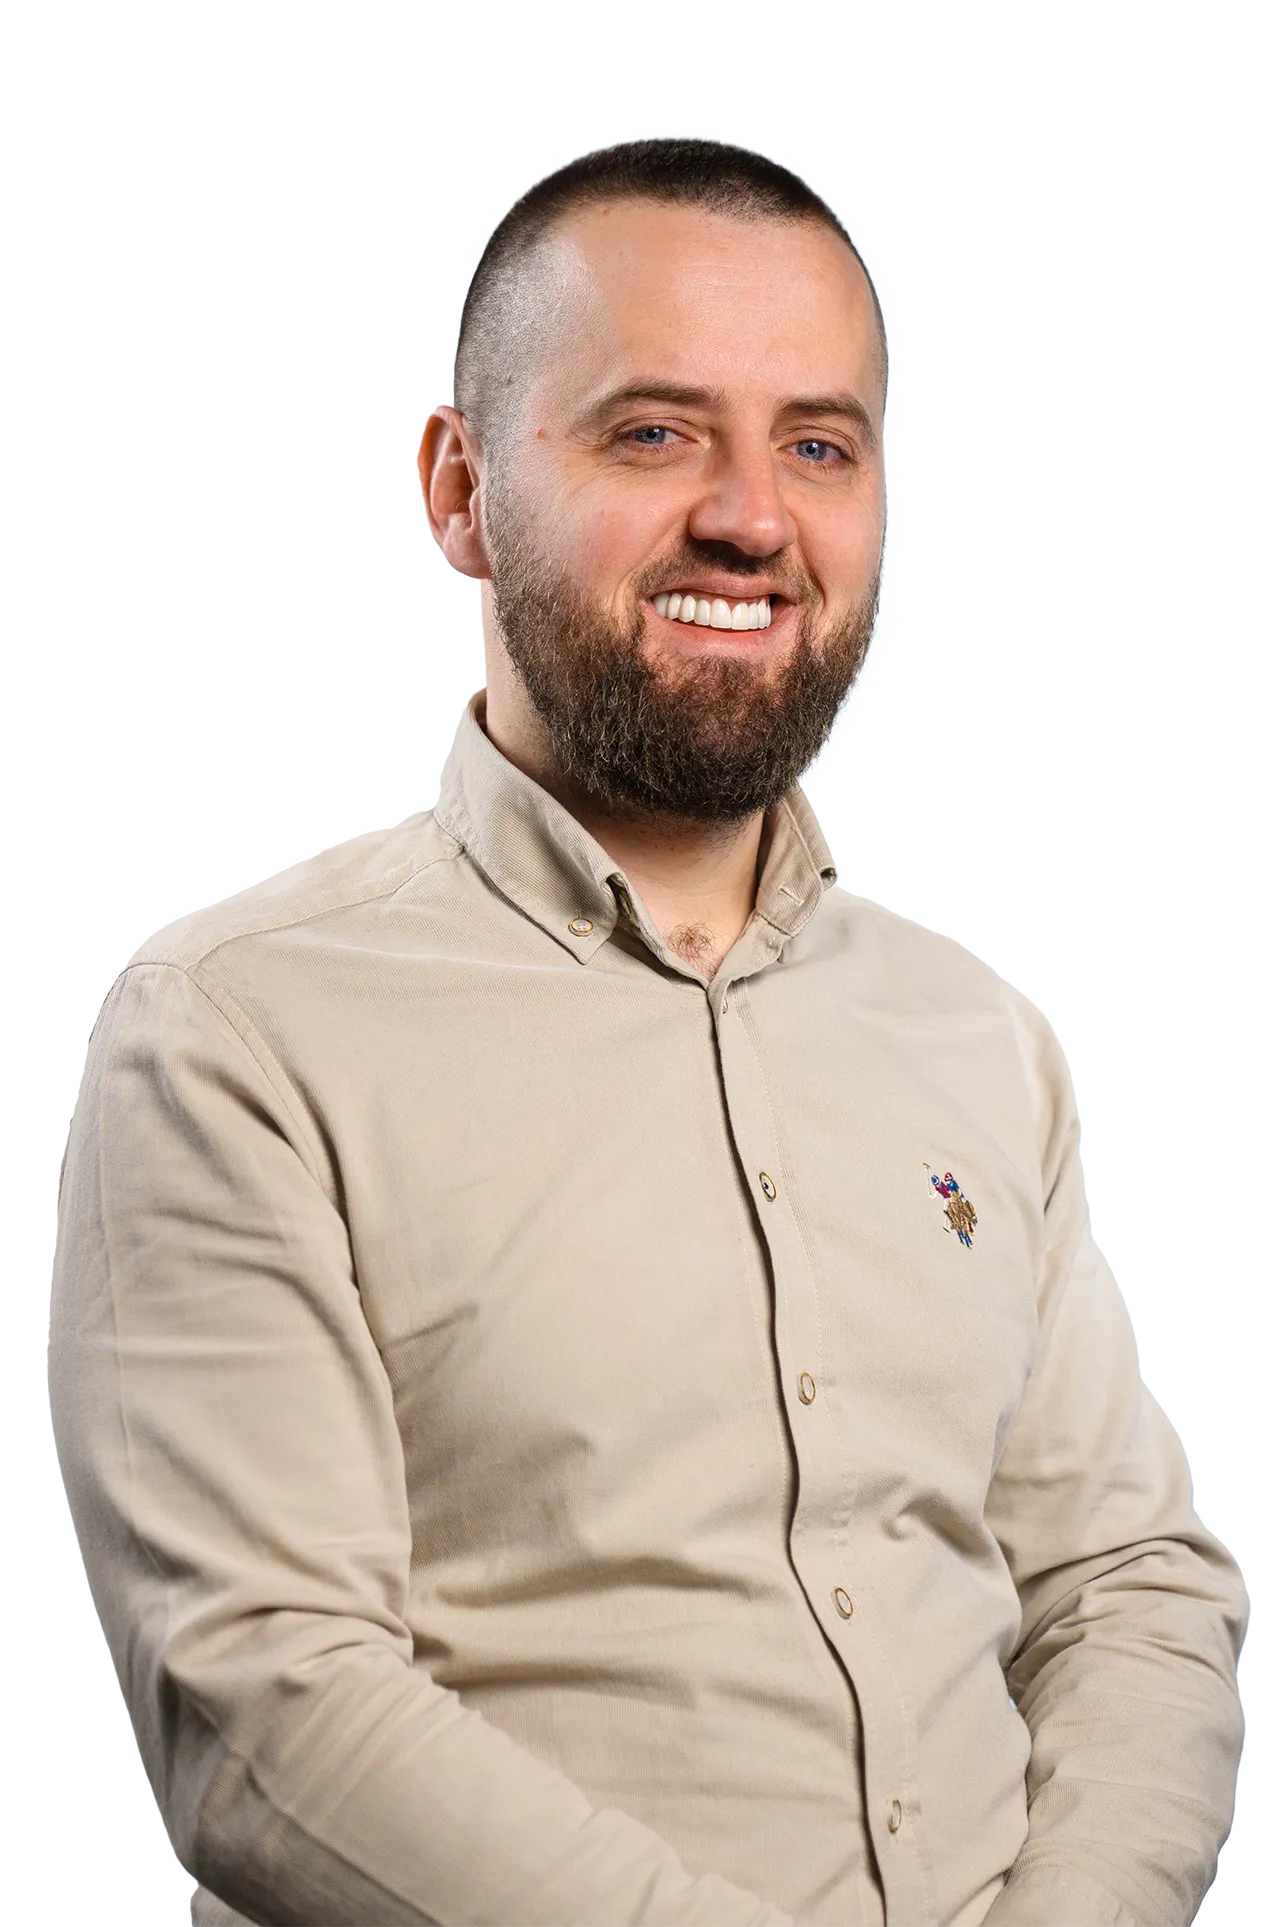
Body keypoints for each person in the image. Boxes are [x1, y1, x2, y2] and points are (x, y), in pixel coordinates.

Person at [47, 135, 1248, 1927]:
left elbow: (1125, 1583)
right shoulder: (231, 1032)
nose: (753, 517)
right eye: (654, 430)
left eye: (819, 444)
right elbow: (265, 1708)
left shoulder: (977, 1035)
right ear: (456, 489)